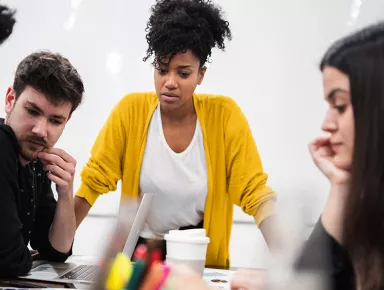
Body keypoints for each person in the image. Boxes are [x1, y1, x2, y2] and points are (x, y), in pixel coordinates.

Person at [75, 0, 277, 268]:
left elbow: (255, 192)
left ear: (201, 75)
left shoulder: (225, 116)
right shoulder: (130, 112)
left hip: (197, 255)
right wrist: (55, 246)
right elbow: (94, 181)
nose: (169, 82)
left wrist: (293, 263)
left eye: (183, 73)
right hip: (140, 258)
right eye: (161, 69)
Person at [214, 21, 384, 290]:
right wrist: (340, 186)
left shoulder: (222, 113)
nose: (326, 124)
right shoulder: (366, 204)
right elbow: (322, 281)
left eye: (339, 105)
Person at [0, 51, 84, 277]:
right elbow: (9, 261)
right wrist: (23, 255)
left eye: (55, 120)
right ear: (10, 100)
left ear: (67, 121)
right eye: (32, 111)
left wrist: (66, 192)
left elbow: (57, 250)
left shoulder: (35, 159)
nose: (40, 130)